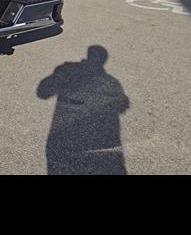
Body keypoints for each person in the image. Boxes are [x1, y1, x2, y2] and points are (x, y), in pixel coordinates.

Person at [37, 45, 130, 175]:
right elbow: (122, 106)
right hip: (99, 144)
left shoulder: (68, 70)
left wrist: (61, 74)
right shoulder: (112, 82)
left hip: (62, 139)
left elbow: (42, 92)